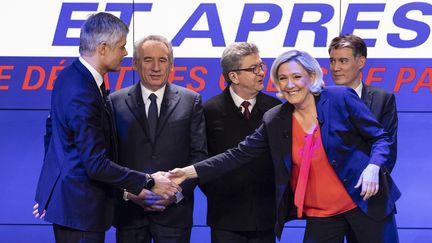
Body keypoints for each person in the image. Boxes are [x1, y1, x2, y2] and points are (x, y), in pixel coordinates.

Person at [169, 50, 401, 243]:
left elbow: (381, 138)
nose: (289, 85)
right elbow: (237, 154)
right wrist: (189, 172)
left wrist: (373, 167)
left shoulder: (340, 98)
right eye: (282, 78)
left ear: (311, 76)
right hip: (322, 215)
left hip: (364, 202)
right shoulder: (276, 117)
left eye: (296, 77)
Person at [33, 13, 180, 243]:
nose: (125, 53)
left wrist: (48, 190)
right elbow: (95, 164)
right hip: (80, 211)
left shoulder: (71, 76)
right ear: (103, 48)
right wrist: (149, 180)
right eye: (121, 47)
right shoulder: (82, 91)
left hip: (74, 206)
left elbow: (53, 133)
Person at [109, 34, 208, 243]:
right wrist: (130, 193)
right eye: (148, 60)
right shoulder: (114, 102)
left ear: (171, 65)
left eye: (162, 60)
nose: (156, 67)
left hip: (175, 215)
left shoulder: (191, 101)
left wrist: (174, 194)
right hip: (130, 216)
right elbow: (110, 158)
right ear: (135, 63)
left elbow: (199, 156)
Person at [202, 42, 281, 243]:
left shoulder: (275, 109)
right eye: (253, 68)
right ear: (234, 76)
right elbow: (202, 159)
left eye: (261, 66)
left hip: (265, 216)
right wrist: (218, 192)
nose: (261, 73)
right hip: (225, 216)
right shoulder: (209, 110)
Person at [328, 34, 398, 174]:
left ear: (360, 62)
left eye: (343, 61)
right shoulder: (320, 99)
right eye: (332, 61)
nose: (336, 68)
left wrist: (372, 180)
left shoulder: (383, 99)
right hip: (330, 185)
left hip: (368, 186)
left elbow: (388, 148)